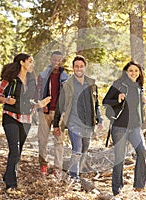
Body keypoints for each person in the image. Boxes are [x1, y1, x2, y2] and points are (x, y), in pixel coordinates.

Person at [0, 53, 51, 195]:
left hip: (26, 119)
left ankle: (7, 176)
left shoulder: (32, 80)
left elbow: (32, 101)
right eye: (30, 61)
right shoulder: (10, 79)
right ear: (22, 62)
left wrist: (40, 104)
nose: (32, 64)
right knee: (14, 150)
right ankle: (11, 185)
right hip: (10, 117)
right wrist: (6, 101)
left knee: (18, 153)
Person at [53, 55, 102, 188]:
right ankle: (73, 177)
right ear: (73, 68)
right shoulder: (67, 85)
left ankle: (76, 172)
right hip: (73, 121)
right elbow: (60, 105)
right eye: (76, 66)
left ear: (85, 67)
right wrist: (56, 123)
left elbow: (96, 104)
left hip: (88, 123)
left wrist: (100, 119)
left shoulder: (91, 84)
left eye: (81, 66)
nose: (79, 68)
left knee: (85, 149)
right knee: (77, 148)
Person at [102, 61, 146, 196]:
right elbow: (105, 101)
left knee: (142, 151)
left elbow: (138, 108)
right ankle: (117, 189)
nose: (133, 73)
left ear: (139, 73)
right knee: (120, 158)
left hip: (135, 127)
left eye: (136, 71)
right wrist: (118, 99)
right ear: (126, 72)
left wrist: (143, 103)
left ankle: (139, 185)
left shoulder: (140, 87)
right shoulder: (118, 84)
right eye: (131, 70)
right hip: (120, 127)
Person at [37, 51, 69, 176]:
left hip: (59, 113)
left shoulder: (66, 77)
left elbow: (67, 96)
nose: (56, 62)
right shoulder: (43, 75)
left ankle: (57, 168)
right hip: (45, 112)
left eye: (59, 60)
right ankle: (43, 165)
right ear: (50, 60)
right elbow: (38, 92)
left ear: (61, 61)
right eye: (54, 59)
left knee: (59, 140)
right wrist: (42, 106)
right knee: (42, 139)